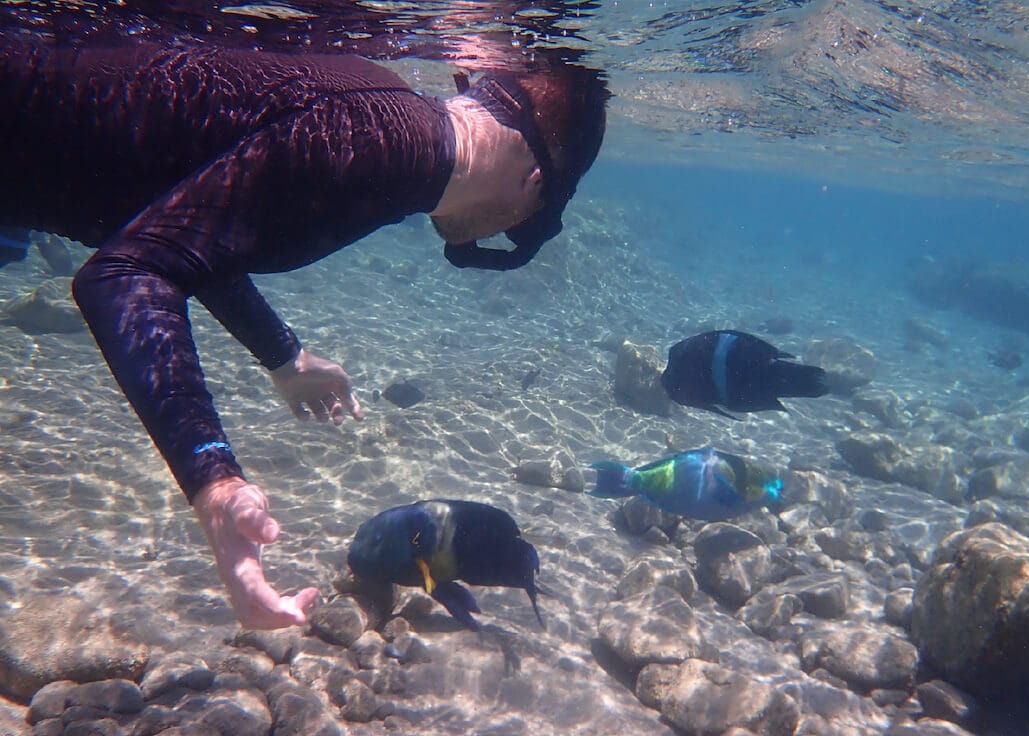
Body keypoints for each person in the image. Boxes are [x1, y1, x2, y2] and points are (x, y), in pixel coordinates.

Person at [0, 32, 608, 629]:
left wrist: (283, 356)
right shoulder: (383, 152)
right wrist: (215, 483)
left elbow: (188, 225)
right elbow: (127, 272)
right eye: (530, 226)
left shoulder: (392, 122)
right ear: (536, 184)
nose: (501, 237)